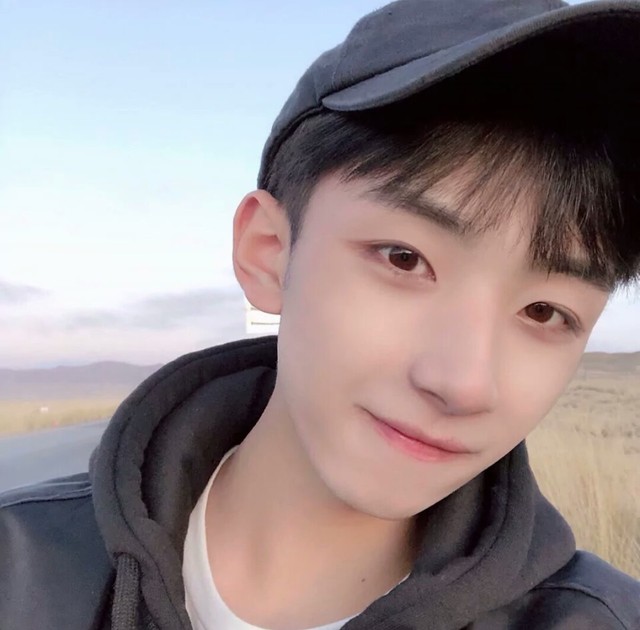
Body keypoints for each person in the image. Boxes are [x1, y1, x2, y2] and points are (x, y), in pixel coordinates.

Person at [1, 0, 640, 628]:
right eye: (404, 259)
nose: (464, 384)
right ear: (269, 254)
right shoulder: (18, 569)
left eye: (545, 312)